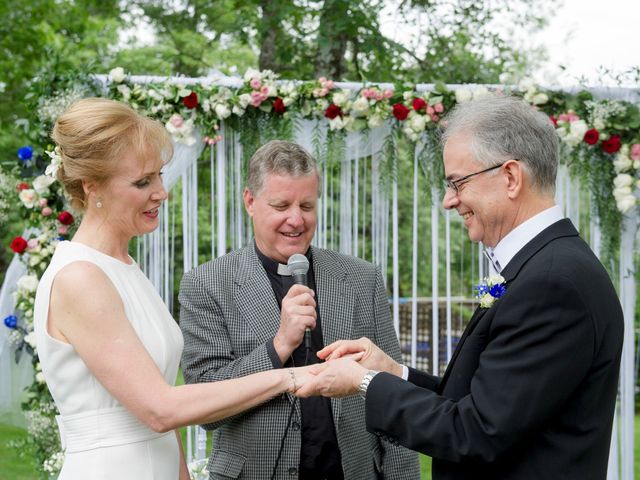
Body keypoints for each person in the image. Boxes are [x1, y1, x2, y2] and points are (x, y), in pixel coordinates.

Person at [296, 95, 624, 479]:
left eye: (457, 182)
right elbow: (483, 402)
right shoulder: (539, 267)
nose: (449, 201)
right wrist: (392, 372)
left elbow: (475, 433)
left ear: (511, 177)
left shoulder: (552, 283)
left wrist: (365, 382)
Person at [33, 98, 312, 480]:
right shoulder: (80, 277)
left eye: (159, 175)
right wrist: (292, 377)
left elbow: (164, 408)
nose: (161, 192)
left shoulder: (125, 268)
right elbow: (161, 409)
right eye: (142, 181)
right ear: (92, 186)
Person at [179, 140, 419, 479]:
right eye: (281, 205)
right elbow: (205, 409)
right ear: (250, 201)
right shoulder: (207, 283)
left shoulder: (362, 278)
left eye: (307, 205)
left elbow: (393, 393)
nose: (296, 219)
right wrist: (278, 346)